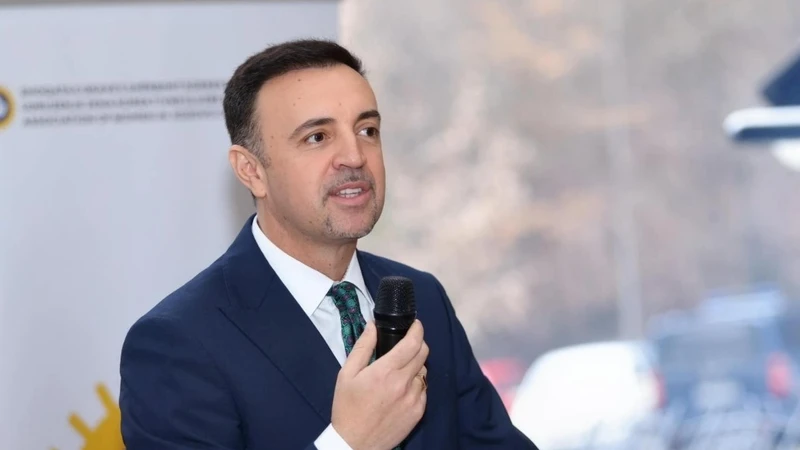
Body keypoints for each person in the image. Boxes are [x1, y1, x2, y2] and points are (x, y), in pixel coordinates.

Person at [119, 38, 537, 450]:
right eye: (317, 137)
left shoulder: (423, 297)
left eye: (367, 130)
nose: (354, 156)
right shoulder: (176, 344)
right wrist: (349, 443)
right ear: (251, 171)